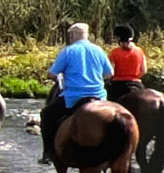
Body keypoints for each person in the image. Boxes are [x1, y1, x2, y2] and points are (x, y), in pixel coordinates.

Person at [38, 22, 113, 165]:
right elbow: (110, 74)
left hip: (73, 97)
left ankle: (48, 153)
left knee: (46, 115)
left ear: (72, 35)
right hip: (99, 97)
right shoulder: (99, 50)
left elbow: (52, 74)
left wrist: (62, 77)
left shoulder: (68, 51)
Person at [107, 23, 147, 102]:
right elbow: (144, 70)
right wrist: (134, 77)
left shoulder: (114, 53)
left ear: (119, 39)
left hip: (118, 85)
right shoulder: (140, 51)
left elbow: (110, 72)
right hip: (136, 83)